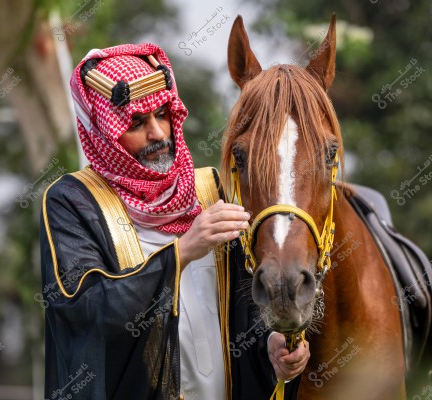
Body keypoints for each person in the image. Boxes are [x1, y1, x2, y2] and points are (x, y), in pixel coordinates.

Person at [40, 43, 309, 400]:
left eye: (162, 115)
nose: (158, 134)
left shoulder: (210, 190)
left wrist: (271, 348)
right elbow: (85, 313)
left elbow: (244, 311)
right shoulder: (72, 201)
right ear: (103, 132)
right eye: (137, 122)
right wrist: (181, 253)